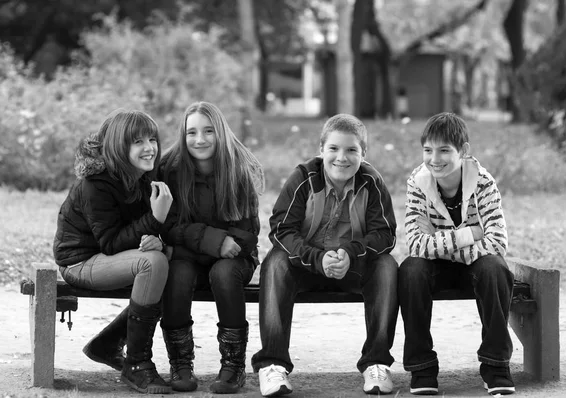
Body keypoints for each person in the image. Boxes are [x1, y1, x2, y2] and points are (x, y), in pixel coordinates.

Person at [251, 113, 399, 396]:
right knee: (275, 262)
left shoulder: (372, 182)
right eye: (333, 149)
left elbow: (385, 234)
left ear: (363, 154)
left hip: (352, 267)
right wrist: (318, 258)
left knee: (387, 266)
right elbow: (282, 230)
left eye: (351, 150)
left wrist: (351, 254)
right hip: (306, 265)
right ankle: (272, 364)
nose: (341, 158)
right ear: (321, 150)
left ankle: (376, 363)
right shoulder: (303, 177)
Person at [53, 109, 174, 395]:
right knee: (152, 264)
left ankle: (107, 344)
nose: (149, 148)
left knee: (168, 260)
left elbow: (140, 234)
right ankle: (137, 364)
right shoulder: (97, 183)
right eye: (138, 142)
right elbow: (110, 242)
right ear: (120, 147)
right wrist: (154, 220)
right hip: (80, 262)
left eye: (152, 139)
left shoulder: (143, 177)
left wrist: (157, 238)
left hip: (113, 258)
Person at [399, 112, 514, 396]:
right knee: (411, 269)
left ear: (463, 151)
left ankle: (495, 365)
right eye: (428, 150)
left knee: (495, 268)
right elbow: (415, 244)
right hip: (434, 268)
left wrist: (442, 245)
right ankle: (422, 367)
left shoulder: (483, 183)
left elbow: (497, 243)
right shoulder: (418, 183)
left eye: (444, 150)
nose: (434, 159)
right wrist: (468, 234)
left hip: (475, 267)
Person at [158, 101, 264, 394]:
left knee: (224, 274)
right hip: (189, 256)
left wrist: (222, 246)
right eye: (192, 132)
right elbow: (168, 227)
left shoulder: (239, 170)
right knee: (177, 274)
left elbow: (246, 236)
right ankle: (180, 363)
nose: (200, 139)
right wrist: (213, 241)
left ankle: (233, 366)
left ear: (220, 133)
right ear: (183, 135)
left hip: (235, 258)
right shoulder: (171, 171)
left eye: (208, 131)